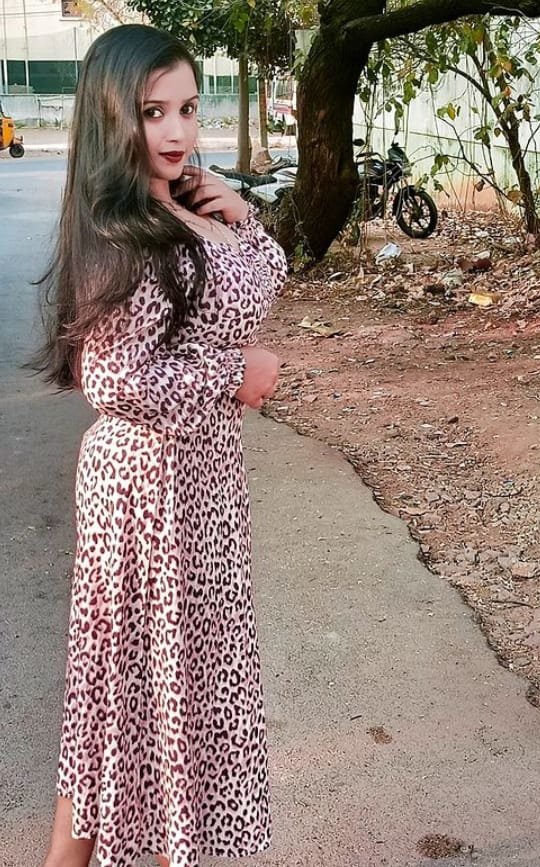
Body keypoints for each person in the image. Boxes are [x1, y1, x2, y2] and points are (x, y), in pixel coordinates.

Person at [36, 23, 287, 867]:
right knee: (139, 697)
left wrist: (243, 217)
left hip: (201, 480)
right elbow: (113, 379)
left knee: (141, 696)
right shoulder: (121, 229)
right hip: (148, 491)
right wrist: (234, 372)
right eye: (154, 112)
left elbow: (261, 283)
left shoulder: (185, 203)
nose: (178, 131)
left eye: (188, 108)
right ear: (114, 116)